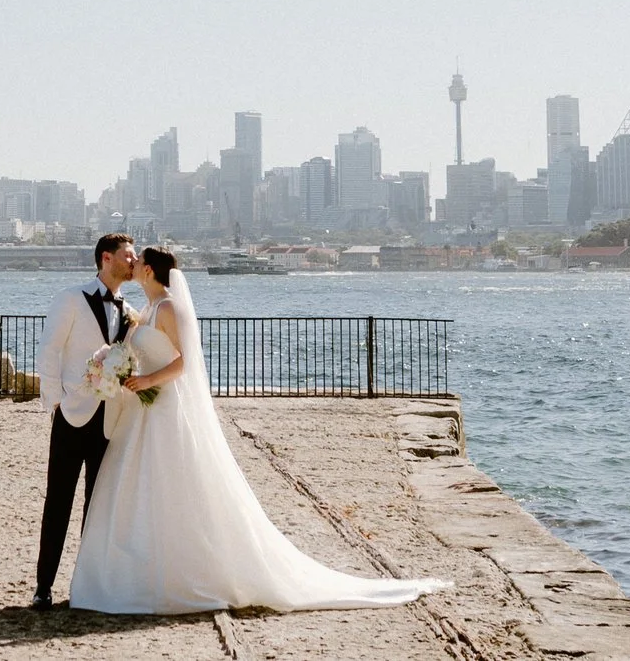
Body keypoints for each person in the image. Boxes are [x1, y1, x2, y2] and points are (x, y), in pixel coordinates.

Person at [67, 247, 449, 614]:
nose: (132, 265)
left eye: (138, 261)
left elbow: (184, 363)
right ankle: (134, 575)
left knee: (171, 485)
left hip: (166, 408)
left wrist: (149, 379)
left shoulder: (168, 307)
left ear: (149, 270)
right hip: (142, 411)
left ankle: (177, 575)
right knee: (138, 488)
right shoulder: (145, 310)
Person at [33, 232, 139, 609]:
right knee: (58, 501)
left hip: (109, 419)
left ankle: (85, 586)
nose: (134, 260)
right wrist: (56, 403)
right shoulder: (71, 299)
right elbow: (49, 351)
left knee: (97, 507)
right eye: (129, 255)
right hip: (71, 415)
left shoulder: (130, 311)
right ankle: (43, 586)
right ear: (106, 258)